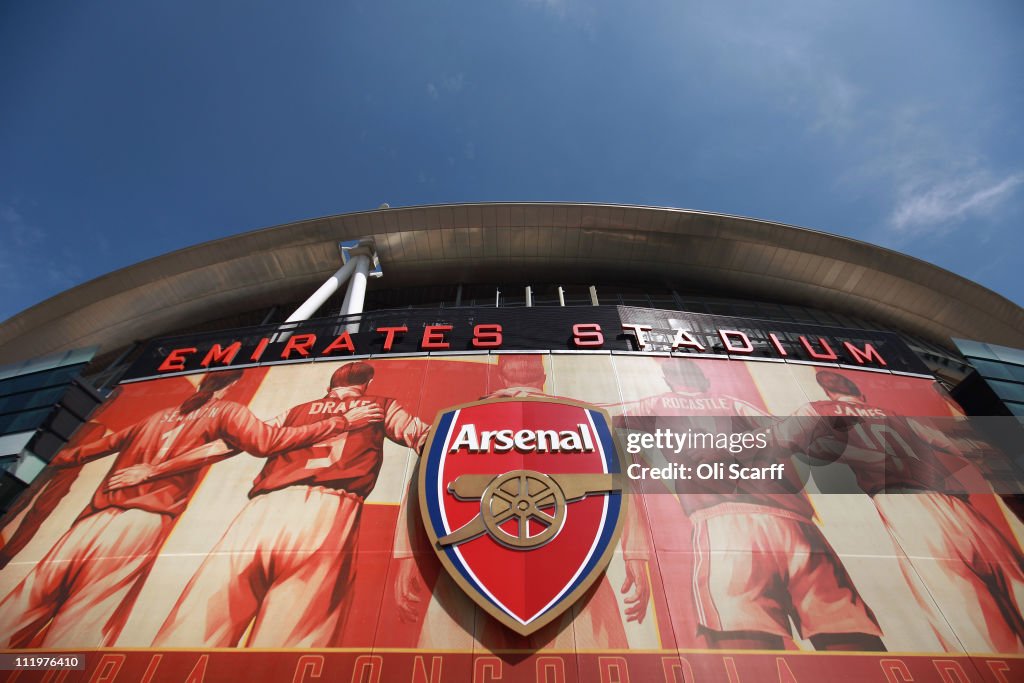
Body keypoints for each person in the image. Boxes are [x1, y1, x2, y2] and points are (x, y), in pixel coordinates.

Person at [0, 369, 361, 648]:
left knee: (17, 610)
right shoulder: (226, 411)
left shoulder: (154, 418)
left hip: (87, 523)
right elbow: (267, 442)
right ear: (229, 385)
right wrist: (338, 422)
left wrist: (23, 462)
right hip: (139, 523)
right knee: (81, 627)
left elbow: (77, 454)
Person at [152, 361, 430, 648]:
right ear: (366, 385)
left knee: (194, 630)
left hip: (262, 509)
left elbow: (229, 445)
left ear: (329, 388)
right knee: (291, 644)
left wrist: (155, 470)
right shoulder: (380, 406)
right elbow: (425, 437)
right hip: (329, 511)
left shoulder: (298, 410)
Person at [614, 358, 884, 651]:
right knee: (849, 636)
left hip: (726, 526)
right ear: (703, 379)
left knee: (747, 646)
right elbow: (785, 435)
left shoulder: (652, 406)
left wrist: (635, 553)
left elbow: (616, 444)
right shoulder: (734, 403)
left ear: (668, 379)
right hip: (796, 526)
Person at [393, 354, 650, 650]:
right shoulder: (587, 421)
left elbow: (423, 486)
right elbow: (622, 483)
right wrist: (636, 558)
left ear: (501, 377)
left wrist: (407, 557)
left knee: (456, 657)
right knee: (586, 655)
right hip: (571, 570)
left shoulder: (456, 422)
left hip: (469, 569)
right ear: (543, 377)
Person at [804, 370, 1024, 653]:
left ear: (827, 392)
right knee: (1015, 583)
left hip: (905, 507)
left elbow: (814, 449)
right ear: (860, 392)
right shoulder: (891, 414)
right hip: (955, 503)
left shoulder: (819, 410)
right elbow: (952, 444)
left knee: (966, 612)